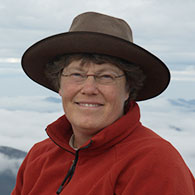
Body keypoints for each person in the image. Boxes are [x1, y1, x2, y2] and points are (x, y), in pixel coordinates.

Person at [12, 12, 195, 195]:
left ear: (128, 90)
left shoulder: (155, 163)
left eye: (106, 76)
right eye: (76, 74)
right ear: (59, 84)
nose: (89, 88)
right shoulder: (39, 156)